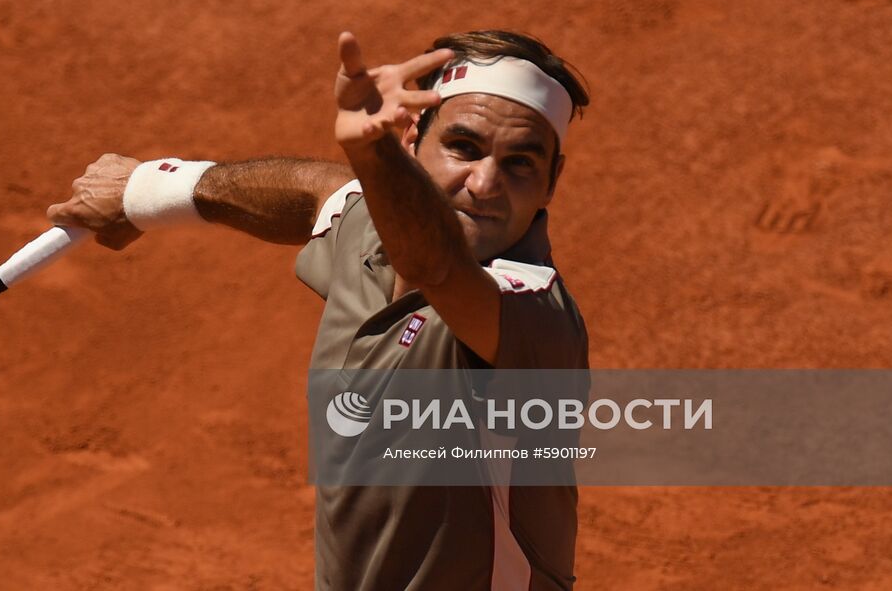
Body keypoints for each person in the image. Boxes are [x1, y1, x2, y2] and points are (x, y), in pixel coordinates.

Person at [47, 29, 591, 590]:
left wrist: (371, 153)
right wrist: (146, 192)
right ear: (412, 141)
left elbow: (437, 267)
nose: (483, 184)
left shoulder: (533, 314)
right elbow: (318, 193)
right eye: (463, 147)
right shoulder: (374, 230)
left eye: (521, 163)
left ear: (552, 181)